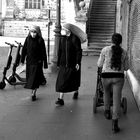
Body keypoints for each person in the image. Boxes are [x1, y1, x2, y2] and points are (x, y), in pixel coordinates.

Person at [97, 33, 129, 133]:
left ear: (112, 40)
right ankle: (115, 123)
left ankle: (107, 111)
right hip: (118, 78)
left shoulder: (105, 50)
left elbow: (99, 64)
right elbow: (127, 68)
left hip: (106, 76)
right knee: (116, 98)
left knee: (106, 92)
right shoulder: (124, 52)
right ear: (121, 41)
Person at [55, 26, 82, 106]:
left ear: (68, 30)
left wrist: (78, 62)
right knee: (62, 81)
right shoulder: (62, 38)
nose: (63, 30)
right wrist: (58, 63)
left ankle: (76, 91)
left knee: (74, 79)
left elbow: (78, 51)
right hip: (63, 63)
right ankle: (60, 99)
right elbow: (60, 51)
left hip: (72, 63)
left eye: (64, 29)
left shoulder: (75, 39)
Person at [21, 25, 48, 101]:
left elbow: (43, 53)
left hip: (37, 62)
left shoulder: (40, 40)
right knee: (30, 78)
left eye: (35, 32)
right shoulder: (28, 39)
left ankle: (33, 93)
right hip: (29, 62)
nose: (33, 34)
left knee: (34, 79)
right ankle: (33, 91)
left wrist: (45, 63)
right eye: (31, 32)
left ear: (38, 32)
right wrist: (22, 60)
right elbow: (24, 50)